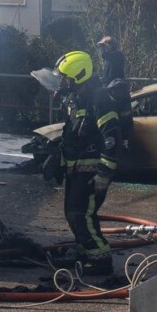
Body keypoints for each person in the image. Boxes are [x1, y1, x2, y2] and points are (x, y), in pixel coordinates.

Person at [50, 50, 121, 279]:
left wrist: (104, 174)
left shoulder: (99, 98)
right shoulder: (75, 98)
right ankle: (84, 253)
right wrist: (58, 161)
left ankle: (101, 260)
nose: (63, 82)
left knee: (81, 214)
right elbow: (71, 135)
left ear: (80, 75)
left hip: (92, 172)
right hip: (75, 170)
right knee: (72, 213)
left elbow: (112, 139)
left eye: (67, 78)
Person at [96, 35, 133, 150]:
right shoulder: (110, 57)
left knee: (122, 116)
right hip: (109, 87)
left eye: (105, 45)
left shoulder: (117, 55)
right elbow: (104, 56)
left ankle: (124, 142)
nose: (103, 47)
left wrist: (102, 46)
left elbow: (105, 55)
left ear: (111, 45)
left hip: (117, 89)